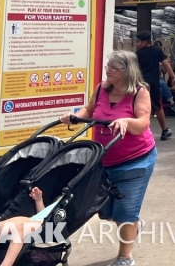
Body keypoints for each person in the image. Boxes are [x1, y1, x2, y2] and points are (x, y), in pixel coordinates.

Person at [61, 51, 155, 266]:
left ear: (127, 71)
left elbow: (143, 122)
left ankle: (125, 256)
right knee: (105, 210)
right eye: (108, 66)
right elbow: (90, 110)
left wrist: (126, 122)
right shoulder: (102, 88)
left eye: (114, 68)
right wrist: (74, 117)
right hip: (103, 160)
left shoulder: (139, 92)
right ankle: (132, 224)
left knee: (125, 211)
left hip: (135, 160)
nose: (108, 71)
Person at [135, 32, 175, 141]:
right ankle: (164, 130)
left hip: (141, 83)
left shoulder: (138, 54)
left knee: (139, 106)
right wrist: (172, 76)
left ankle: (140, 132)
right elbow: (166, 63)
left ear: (144, 42)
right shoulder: (157, 50)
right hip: (154, 83)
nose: (136, 44)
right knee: (158, 107)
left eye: (138, 41)